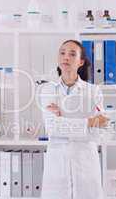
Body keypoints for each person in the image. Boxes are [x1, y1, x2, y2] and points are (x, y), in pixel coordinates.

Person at [39, 40, 108, 199]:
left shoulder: (93, 91)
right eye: (62, 53)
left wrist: (63, 121)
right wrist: (89, 122)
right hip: (57, 165)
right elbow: (52, 128)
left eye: (72, 54)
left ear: (81, 62)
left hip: (85, 165)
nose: (66, 57)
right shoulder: (47, 90)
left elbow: (99, 132)